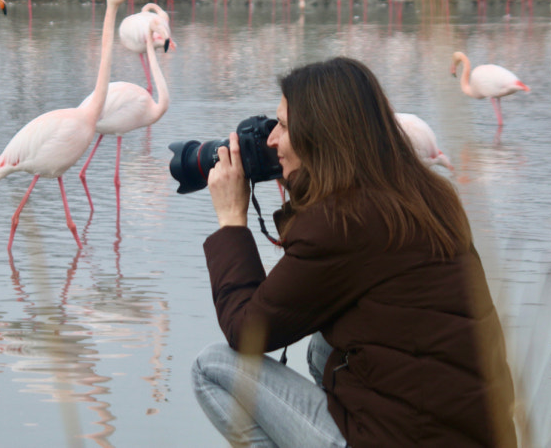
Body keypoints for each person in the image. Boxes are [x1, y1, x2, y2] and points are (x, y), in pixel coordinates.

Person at [191, 57, 516, 447]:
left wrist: (231, 221)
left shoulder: (341, 222)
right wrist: (300, 185)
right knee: (322, 349)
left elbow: (247, 331)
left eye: (284, 126)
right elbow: (320, 282)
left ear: (320, 136)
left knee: (211, 367)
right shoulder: (426, 197)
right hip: (478, 435)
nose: (272, 140)